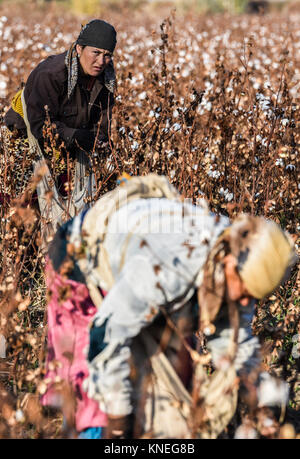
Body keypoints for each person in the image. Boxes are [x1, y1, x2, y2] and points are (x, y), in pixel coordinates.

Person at [44, 174, 297, 439]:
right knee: (97, 407)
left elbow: (233, 341)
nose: (247, 303)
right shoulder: (167, 265)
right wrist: (118, 422)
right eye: (246, 292)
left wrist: (263, 399)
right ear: (230, 265)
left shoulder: (241, 259)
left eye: (255, 296)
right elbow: (106, 338)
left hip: (142, 285)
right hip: (81, 269)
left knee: (173, 391)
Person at [4, 19, 117, 243]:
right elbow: (39, 126)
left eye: (107, 55)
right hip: (26, 141)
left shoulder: (106, 79)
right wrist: (76, 137)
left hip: (67, 145)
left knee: (74, 208)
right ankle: (23, 262)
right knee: (22, 212)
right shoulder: (52, 74)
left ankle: (61, 252)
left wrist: (100, 142)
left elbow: (102, 124)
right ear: (79, 48)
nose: (101, 61)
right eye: (95, 52)